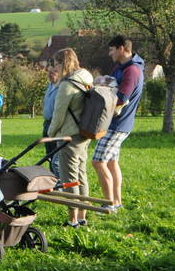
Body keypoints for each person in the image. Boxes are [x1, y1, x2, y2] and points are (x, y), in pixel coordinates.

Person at [92, 35, 145, 213]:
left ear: (122, 48)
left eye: (112, 49)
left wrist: (102, 90)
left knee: (98, 162)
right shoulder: (122, 68)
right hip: (118, 124)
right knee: (112, 162)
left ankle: (109, 204)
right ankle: (117, 202)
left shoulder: (132, 71)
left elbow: (122, 98)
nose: (110, 53)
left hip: (117, 125)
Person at [47, 48, 93, 228]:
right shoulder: (86, 78)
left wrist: (50, 134)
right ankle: (82, 216)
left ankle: (72, 219)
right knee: (82, 174)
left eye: (57, 63)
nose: (55, 68)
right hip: (84, 133)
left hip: (68, 136)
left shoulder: (67, 85)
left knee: (69, 178)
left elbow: (58, 115)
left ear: (63, 63)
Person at [42, 59, 61, 177]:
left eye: (53, 72)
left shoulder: (61, 87)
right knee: (48, 153)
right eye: (48, 72)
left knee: (55, 153)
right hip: (46, 122)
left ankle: (58, 178)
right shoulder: (49, 85)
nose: (50, 75)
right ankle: (52, 177)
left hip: (55, 123)